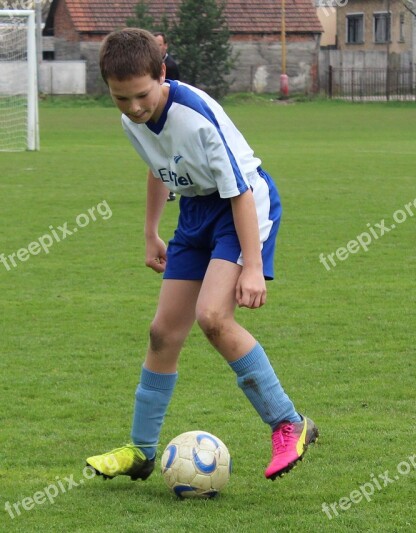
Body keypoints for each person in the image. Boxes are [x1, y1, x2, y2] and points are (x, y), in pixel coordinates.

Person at [86, 28, 318, 483]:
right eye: (120, 98)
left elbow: (241, 192)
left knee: (213, 316)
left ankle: (289, 423)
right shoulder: (131, 118)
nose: (133, 107)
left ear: (162, 74)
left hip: (242, 206)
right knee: (162, 333)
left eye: (141, 95)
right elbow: (159, 168)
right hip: (195, 210)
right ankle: (141, 449)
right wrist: (152, 231)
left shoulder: (194, 117)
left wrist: (251, 266)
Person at [153, 32, 180, 201]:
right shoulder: (149, 64)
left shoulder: (171, 65)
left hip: (170, 116)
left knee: (172, 153)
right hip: (154, 117)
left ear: (165, 46)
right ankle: (165, 188)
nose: (157, 47)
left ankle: (173, 187)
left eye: (159, 44)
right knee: (157, 153)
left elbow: (177, 89)